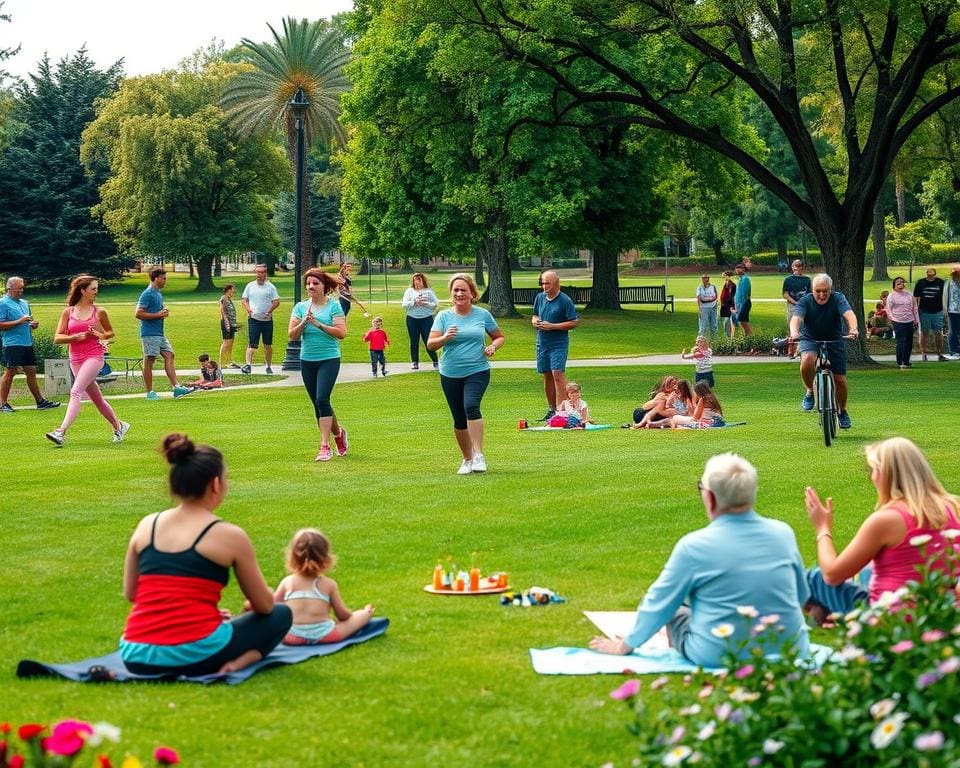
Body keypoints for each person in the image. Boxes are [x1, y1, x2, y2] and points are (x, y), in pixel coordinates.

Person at [588, 453, 809, 667]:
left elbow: (660, 603)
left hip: (718, 652)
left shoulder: (695, 546)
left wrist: (623, 646)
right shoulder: (783, 534)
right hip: (788, 647)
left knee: (674, 608)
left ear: (710, 498)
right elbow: (800, 595)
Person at [119, 433, 292, 676]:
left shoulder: (148, 524)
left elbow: (131, 593)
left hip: (134, 654)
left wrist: (200, 612)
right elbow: (264, 606)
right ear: (215, 484)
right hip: (193, 654)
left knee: (224, 623)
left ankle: (211, 632)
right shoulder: (229, 535)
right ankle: (241, 661)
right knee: (282, 614)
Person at [803, 437, 960, 621]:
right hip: (941, 610)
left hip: (891, 618)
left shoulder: (887, 519)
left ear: (884, 474)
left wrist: (822, 527)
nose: (872, 477)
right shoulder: (953, 506)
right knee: (868, 570)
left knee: (813, 578)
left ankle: (826, 615)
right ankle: (826, 614)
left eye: (873, 470)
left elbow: (832, 575)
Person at [428, 273, 505, 475]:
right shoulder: (443, 316)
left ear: (472, 293)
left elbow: (499, 337)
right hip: (450, 373)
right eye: (456, 290)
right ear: (451, 293)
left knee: (471, 406)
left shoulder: (482, 315)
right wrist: (445, 337)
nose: (459, 293)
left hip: (477, 370)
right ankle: (467, 459)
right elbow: (430, 344)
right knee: (459, 418)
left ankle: (479, 455)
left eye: (463, 290)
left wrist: (493, 347)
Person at [45, 275, 129, 447]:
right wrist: (75, 337)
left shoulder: (99, 312)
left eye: (97, 289)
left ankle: (60, 432)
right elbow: (57, 337)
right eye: (93, 289)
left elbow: (110, 333)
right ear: (82, 290)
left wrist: (98, 335)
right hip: (75, 358)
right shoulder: (68, 312)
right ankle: (119, 426)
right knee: (97, 399)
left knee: (75, 391)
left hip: (94, 356)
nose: (96, 292)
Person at [274, 528, 375, 646]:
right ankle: (366, 612)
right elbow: (342, 615)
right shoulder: (328, 584)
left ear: (291, 557)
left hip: (291, 636)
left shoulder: (287, 582)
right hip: (326, 635)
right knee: (362, 615)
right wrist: (351, 614)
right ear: (326, 559)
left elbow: (272, 608)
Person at [288, 268, 349, 462]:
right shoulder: (300, 307)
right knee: (319, 403)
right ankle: (339, 433)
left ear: (324, 286)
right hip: (307, 360)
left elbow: (341, 333)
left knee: (322, 398)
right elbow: (292, 336)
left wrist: (318, 324)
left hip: (329, 358)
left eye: (315, 283)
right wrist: (303, 323)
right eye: (308, 283)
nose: (311, 286)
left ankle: (324, 446)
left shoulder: (334, 307)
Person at [788, 273, 859, 429]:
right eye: (818, 291)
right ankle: (809, 391)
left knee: (839, 379)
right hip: (810, 339)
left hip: (834, 340)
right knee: (807, 359)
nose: (821, 294)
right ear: (812, 289)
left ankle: (842, 411)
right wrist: (794, 333)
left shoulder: (838, 298)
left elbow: (849, 314)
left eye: (825, 291)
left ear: (830, 289)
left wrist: (853, 328)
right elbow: (796, 318)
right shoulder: (805, 300)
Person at [0, 276, 60, 413]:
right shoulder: (3, 303)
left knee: (31, 371)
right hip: (12, 343)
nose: (21, 290)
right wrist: (19, 321)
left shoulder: (24, 303)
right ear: (10, 288)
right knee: (10, 371)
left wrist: (33, 324)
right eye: (19, 288)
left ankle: (40, 401)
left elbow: (27, 321)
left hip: (26, 342)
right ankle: (2, 404)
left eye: (22, 287)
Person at [135, 267, 190, 400]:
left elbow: (156, 312)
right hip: (149, 333)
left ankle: (177, 388)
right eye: (163, 278)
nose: (165, 281)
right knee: (149, 360)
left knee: (169, 355)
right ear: (156, 278)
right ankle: (150, 393)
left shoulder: (158, 293)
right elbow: (138, 313)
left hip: (159, 333)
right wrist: (157, 314)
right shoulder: (147, 293)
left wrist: (162, 312)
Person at [532, 270, 580, 421]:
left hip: (558, 343)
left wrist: (552, 326)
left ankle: (562, 410)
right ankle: (551, 410)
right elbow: (535, 315)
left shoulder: (564, 300)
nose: (544, 286)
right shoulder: (539, 298)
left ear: (556, 284)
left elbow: (574, 322)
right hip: (542, 343)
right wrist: (534, 321)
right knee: (547, 375)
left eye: (548, 283)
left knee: (557, 374)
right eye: (543, 283)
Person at [241, 265, 280, 375]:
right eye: (257, 273)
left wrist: (270, 310)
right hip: (254, 319)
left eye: (261, 273)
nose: (259, 275)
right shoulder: (250, 286)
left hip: (267, 320)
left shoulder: (270, 287)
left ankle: (268, 366)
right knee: (252, 344)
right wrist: (248, 310)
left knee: (267, 344)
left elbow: (276, 301)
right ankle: (248, 365)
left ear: (265, 274)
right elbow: (244, 300)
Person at [401, 272, 440, 370]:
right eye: (414, 280)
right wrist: (414, 302)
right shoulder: (409, 291)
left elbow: (435, 304)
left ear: (422, 280)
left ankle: (435, 361)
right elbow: (404, 305)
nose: (416, 282)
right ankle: (415, 362)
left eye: (418, 280)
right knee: (414, 340)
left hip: (426, 318)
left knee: (428, 340)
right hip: (412, 318)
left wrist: (425, 303)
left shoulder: (429, 291)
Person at [652, 381, 725, 429]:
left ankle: (652, 424)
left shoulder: (703, 399)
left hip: (709, 423)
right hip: (719, 422)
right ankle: (652, 424)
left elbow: (696, 417)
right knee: (676, 420)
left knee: (675, 418)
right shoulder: (713, 397)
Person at [913, 267, 947, 361]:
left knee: (938, 332)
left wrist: (945, 309)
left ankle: (940, 353)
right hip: (924, 311)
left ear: (934, 274)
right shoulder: (920, 283)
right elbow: (916, 297)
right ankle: (923, 353)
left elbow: (945, 295)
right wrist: (917, 310)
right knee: (924, 333)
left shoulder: (941, 282)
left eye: (931, 272)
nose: (930, 274)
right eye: (928, 272)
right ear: (926, 273)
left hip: (938, 311)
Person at [887, 276, 919, 369]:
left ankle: (906, 361)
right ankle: (899, 361)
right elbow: (888, 309)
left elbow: (914, 307)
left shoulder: (909, 294)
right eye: (898, 283)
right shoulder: (891, 296)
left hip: (909, 320)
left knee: (909, 341)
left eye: (902, 282)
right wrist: (892, 319)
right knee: (900, 341)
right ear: (894, 285)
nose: (901, 284)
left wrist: (916, 319)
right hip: (898, 321)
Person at [781, 260, 812, 358]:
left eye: (800, 266)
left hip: (804, 306)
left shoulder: (807, 280)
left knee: (803, 328)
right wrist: (795, 302)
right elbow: (785, 294)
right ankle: (791, 350)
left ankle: (801, 350)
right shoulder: (788, 280)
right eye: (796, 266)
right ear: (792, 267)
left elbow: (810, 294)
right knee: (791, 327)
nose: (798, 268)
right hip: (792, 306)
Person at [218, 284, 240, 370]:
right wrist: (227, 322)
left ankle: (229, 361)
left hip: (232, 323)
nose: (234, 291)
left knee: (231, 343)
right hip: (227, 323)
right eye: (233, 289)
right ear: (229, 290)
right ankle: (221, 363)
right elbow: (222, 311)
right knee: (226, 342)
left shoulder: (229, 299)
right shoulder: (224, 298)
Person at [733, 262, 752, 337]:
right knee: (742, 322)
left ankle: (751, 337)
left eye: (740, 269)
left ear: (743, 270)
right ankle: (746, 338)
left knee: (744, 322)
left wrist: (741, 306)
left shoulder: (745, 279)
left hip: (744, 303)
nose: (738, 271)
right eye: (737, 269)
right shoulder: (740, 279)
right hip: (739, 303)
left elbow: (745, 294)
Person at [945, 265, 960, 358]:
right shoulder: (948, 283)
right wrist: (945, 310)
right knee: (953, 331)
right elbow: (945, 297)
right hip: (952, 311)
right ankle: (953, 350)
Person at [719, 270, 738, 338]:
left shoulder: (732, 285)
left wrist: (730, 306)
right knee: (726, 322)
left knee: (729, 322)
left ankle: (731, 337)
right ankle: (728, 336)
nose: (723, 278)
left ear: (729, 276)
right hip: (725, 306)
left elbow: (732, 297)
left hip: (729, 307)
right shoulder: (726, 284)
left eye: (724, 276)